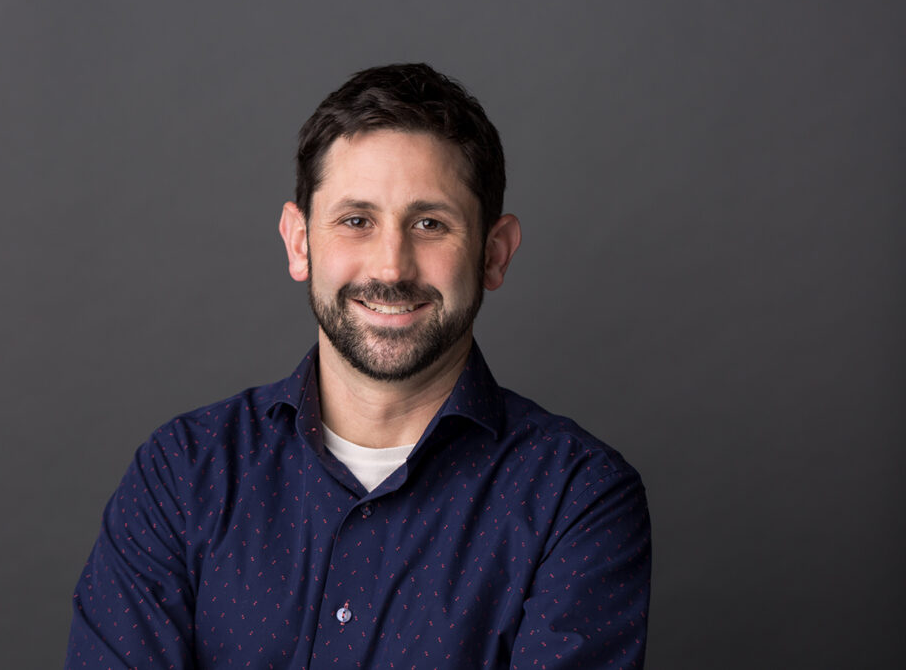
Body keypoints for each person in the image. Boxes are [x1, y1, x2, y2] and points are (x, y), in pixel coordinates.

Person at [65, 63, 651, 669]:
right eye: (355, 221)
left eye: (430, 224)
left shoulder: (576, 498)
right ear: (300, 242)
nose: (391, 267)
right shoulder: (182, 476)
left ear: (493, 254)